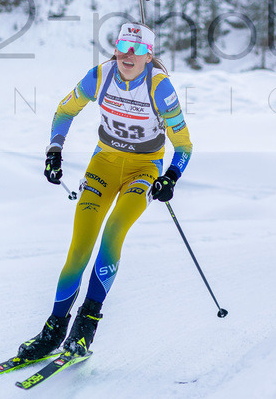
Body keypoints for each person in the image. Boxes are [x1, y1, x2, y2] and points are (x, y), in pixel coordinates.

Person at [17, 22, 192, 359]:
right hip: (104, 166)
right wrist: (54, 150)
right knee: (79, 246)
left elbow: (184, 145)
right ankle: (53, 331)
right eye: (123, 46)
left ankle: (85, 326)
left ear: (148, 55)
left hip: (144, 169)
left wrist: (171, 175)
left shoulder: (160, 87)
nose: (129, 54)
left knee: (113, 232)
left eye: (138, 49)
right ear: (115, 48)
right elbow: (65, 110)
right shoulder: (100, 75)